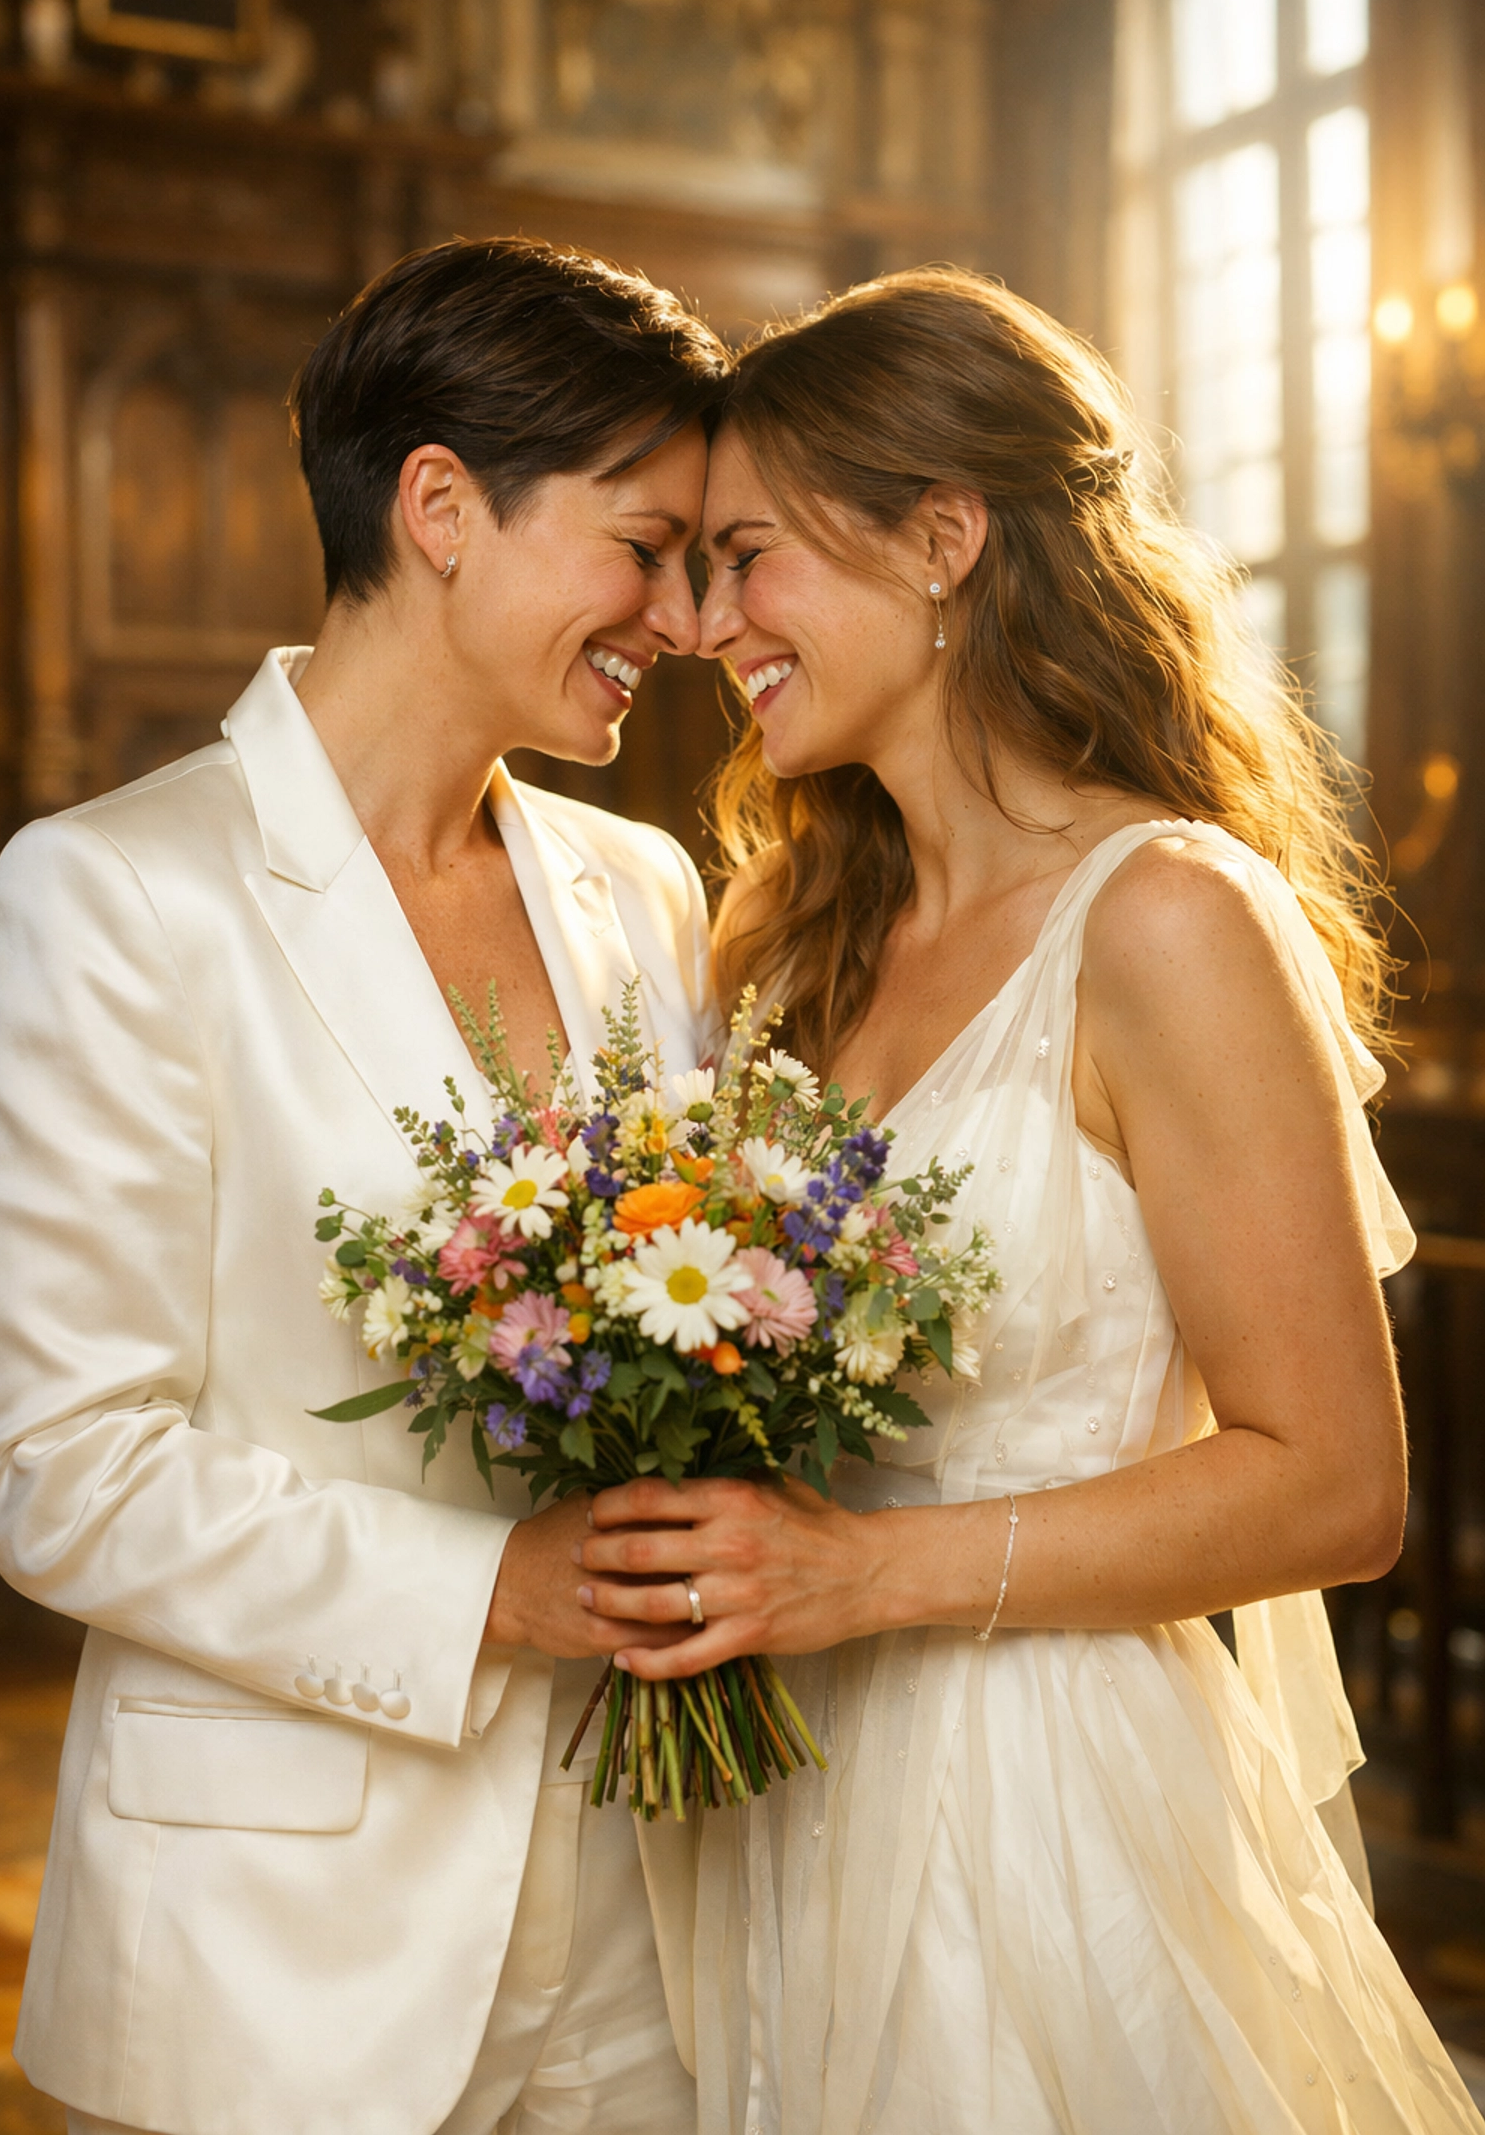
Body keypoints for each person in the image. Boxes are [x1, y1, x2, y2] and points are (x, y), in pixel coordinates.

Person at [577, 268, 1485, 2132]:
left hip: (1041, 1814)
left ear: (942, 536)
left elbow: (1337, 1479)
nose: (702, 623)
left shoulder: (1166, 923)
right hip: (767, 1804)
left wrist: (858, 1576)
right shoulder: (782, 941)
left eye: (749, 557)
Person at [0, 236, 726, 2135]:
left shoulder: (645, 893)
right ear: (442, 508)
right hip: (273, 1945)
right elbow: (63, 1465)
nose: (685, 616)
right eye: (644, 546)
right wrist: (499, 1595)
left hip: (655, 1919)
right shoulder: (116, 893)